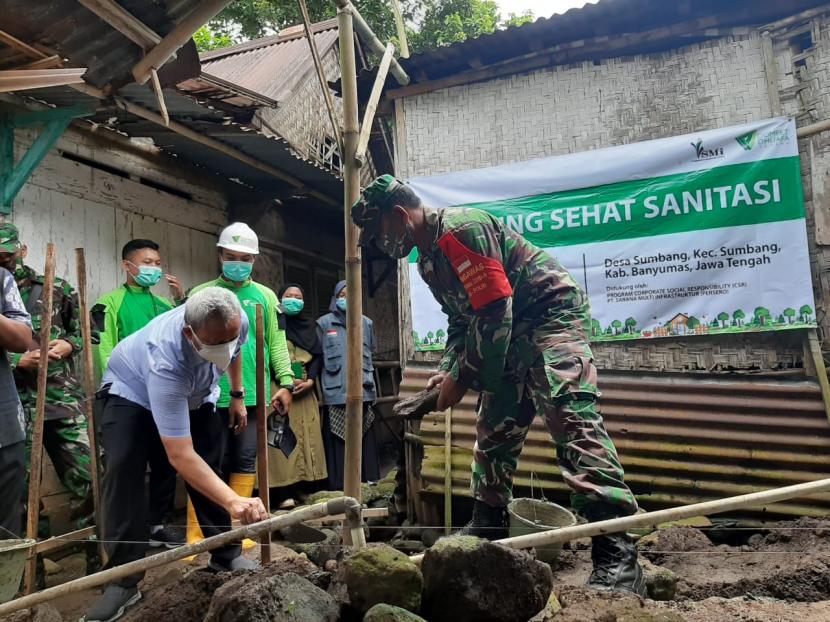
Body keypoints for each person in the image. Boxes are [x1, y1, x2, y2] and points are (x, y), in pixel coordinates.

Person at [351, 175, 645, 596]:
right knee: (495, 428)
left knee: (572, 419)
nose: (379, 242)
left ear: (399, 216)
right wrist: (448, 368)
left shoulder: (462, 229)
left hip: (548, 319)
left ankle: (617, 553)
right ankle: (488, 525)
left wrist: (462, 377)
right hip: (505, 330)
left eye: (379, 230)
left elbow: (492, 309)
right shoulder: (429, 260)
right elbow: (461, 322)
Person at [85, 287, 268, 622]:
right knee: (124, 468)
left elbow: (236, 349)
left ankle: (225, 554)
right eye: (216, 344)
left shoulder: (232, 319)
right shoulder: (165, 359)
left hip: (198, 392)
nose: (225, 349)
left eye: (229, 338)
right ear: (190, 333)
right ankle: (124, 580)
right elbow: (180, 456)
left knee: (209, 466)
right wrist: (234, 501)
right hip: (132, 391)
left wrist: (238, 393)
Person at [188, 223, 293, 547]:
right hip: (210, 395)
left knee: (245, 459)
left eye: (245, 258)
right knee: (208, 461)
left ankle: (237, 529)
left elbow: (276, 341)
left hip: (254, 393)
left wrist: (285, 381)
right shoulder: (201, 295)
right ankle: (198, 534)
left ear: (254, 260)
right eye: (231, 256)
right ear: (220, 255)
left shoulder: (265, 296)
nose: (238, 263)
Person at [91, 238, 185, 548]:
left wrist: (181, 299)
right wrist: (116, 386)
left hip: (163, 394)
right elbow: (104, 347)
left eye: (157, 264)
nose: (153, 269)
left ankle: (157, 524)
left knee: (165, 460)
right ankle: (127, 534)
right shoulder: (109, 302)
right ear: (127, 265)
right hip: (126, 395)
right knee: (126, 462)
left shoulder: (163, 306)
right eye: (147, 263)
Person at [0, 224, 93, 535]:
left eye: (8, 254)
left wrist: (68, 344)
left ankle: (96, 555)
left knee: (89, 476)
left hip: (61, 401)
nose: (5, 261)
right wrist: (17, 359)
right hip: (14, 409)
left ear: (22, 250)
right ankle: (30, 570)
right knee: (21, 493)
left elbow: (84, 332)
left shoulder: (55, 288)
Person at [317, 280, 381, 490]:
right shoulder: (324, 324)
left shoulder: (367, 323)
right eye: (342, 295)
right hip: (336, 391)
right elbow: (317, 357)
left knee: (365, 433)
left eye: (351, 294)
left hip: (363, 388)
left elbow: (371, 349)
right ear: (335, 298)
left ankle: (368, 480)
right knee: (337, 437)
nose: (346, 298)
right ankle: (339, 485)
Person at [268, 284, 327, 506]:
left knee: (307, 437)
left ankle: (304, 487)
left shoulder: (309, 326)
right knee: (282, 436)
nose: (294, 299)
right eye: (289, 296)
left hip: (305, 391)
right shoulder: (274, 324)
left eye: (298, 297)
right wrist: (284, 380)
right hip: (280, 390)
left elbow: (318, 355)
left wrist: (311, 380)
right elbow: (267, 354)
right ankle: (283, 491)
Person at [0, 261, 33, 540]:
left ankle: (10, 584)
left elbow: (22, 338)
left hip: (4, 430)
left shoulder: (2, 279)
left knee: (6, 530)